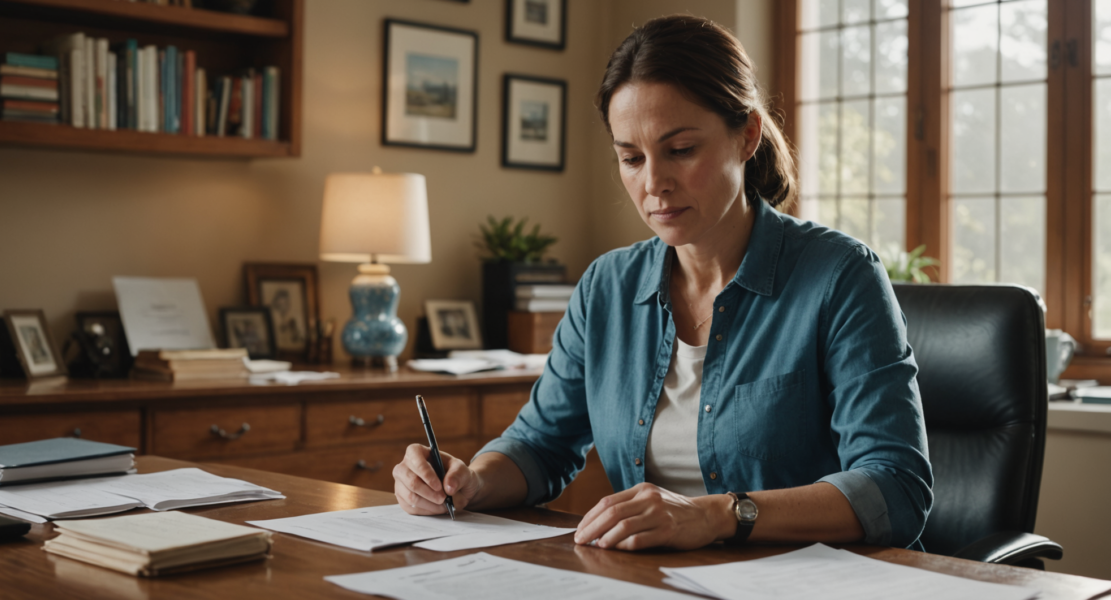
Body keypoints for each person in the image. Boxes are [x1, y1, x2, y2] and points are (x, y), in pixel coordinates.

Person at [393, 14, 933, 551]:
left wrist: (716, 516)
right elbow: (541, 444)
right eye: (631, 158)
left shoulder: (840, 277)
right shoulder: (606, 287)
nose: (654, 184)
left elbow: (895, 485)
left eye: (680, 150)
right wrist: (470, 481)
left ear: (747, 136)